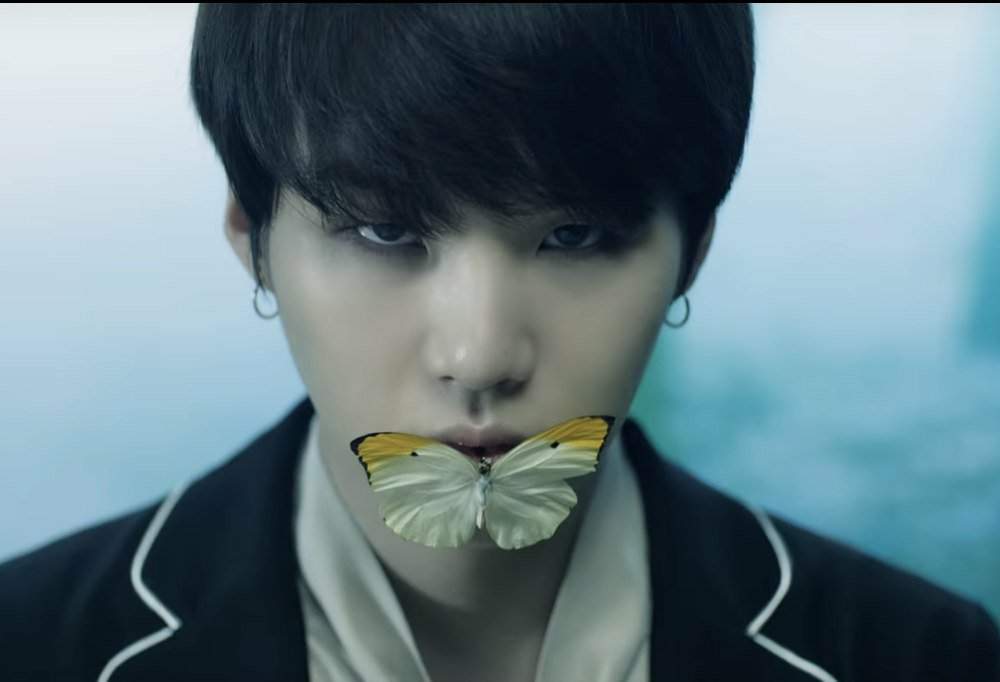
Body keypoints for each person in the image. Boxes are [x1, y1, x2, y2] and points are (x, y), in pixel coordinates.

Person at [1, 4, 998, 681]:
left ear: (692, 251)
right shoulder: (33, 645)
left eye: (576, 237)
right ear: (250, 235)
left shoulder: (921, 657)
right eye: (384, 231)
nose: (478, 356)